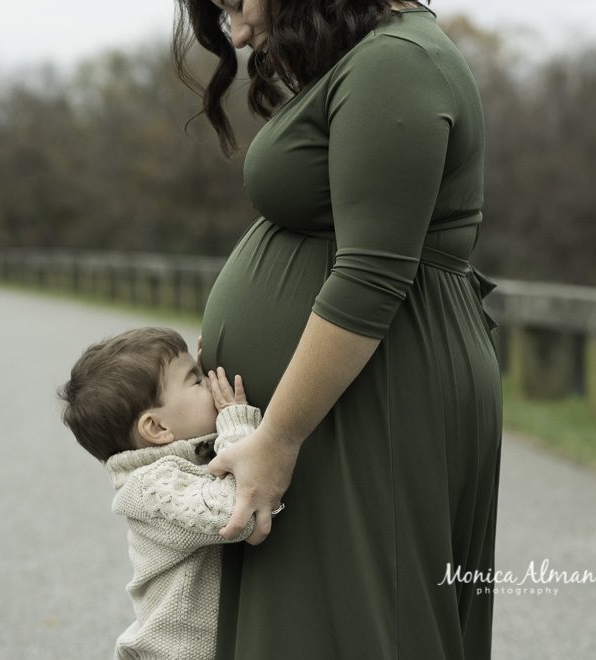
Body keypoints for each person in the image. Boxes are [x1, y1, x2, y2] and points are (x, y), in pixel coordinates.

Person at [172, 0, 503, 658]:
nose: (236, 33)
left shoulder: (397, 64)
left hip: (372, 398)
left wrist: (280, 435)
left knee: (373, 628)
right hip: (337, 402)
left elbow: (371, 276)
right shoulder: (369, 61)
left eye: (235, 5)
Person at [58, 326, 274, 660]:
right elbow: (238, 511)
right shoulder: (151, 488)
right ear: (157, 428)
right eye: (197, 380)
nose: (212, 383)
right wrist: (238, 427)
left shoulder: (180, 465)